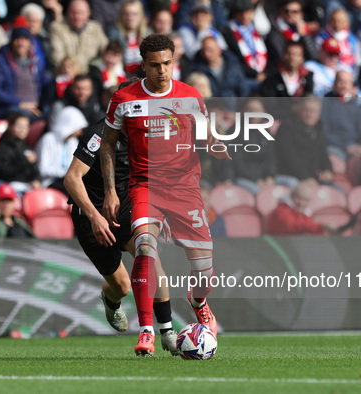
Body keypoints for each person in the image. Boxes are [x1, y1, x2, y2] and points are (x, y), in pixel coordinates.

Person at [101, 34, 230, 356]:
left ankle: (198, 301)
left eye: (167, 63)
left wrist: (213, 143)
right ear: (143, 65)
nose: (162, 71)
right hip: (146, 186)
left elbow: (203, 132)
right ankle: (146, 331)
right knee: (145, 246)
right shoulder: (125, 98)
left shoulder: (190, 96)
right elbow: (106, 144)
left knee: (204, 269)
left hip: (185, 189)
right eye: (155, 65)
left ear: (175, 61)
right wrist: (109, 192)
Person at [64, 95, 178, 354]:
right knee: (122, 287)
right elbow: (71, 179)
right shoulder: (97, 134)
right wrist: (94, 216)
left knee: (150, 257)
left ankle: (167, 331)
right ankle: (111, 299)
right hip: (91, 216)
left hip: (126, 207)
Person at [0, 25, 52, 121]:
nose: (21, 42)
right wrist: (20, 103)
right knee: (24, 118)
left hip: (36, 106)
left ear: (30, 42)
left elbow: (47, 83)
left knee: (55, 114)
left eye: (25, 39)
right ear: (11, 42)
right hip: (11, 107)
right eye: (17, 39)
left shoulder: (35, 61)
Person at [275, 95, 334, 185]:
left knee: (338, 191)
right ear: (298, 110)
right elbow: (289, 157)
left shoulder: (319, 129)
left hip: (312, 178)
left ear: (319, 114)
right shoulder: (286, 127)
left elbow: (323, 155)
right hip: (289, 177)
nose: (309, 115)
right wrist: (306, 177)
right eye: (306, 110)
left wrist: (328, 170)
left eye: (313, 111)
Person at [49, 0, 108, 74]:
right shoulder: (57, 28)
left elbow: (106, 49)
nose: (77, 17)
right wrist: (71, 69)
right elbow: (57, 58)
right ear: (67, 13)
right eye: (73, 13)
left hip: (91, 75)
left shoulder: (95, 28)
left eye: (81, 13)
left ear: (88, 14)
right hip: (67, 76)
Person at [37, 106, 87, 193]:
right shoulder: (48, 139)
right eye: (77, 128)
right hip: (50, 182)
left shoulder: (73, 141)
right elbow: (42, 169)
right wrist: (63, 172)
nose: (79, 132)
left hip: (68, 180)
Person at [266, 180, 335, 235]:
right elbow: (291, 226)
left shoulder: (305, 214)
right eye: (299, 198)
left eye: (306, 200)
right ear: (292, 196)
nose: (301, 203)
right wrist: (321, 226)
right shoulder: (281, 210)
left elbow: (311, 229)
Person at [0, 112, 41, 195]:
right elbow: (5, 172)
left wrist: (36, 180)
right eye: (19, 126)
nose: (23, 129)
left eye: (26, 126)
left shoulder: (28, 148)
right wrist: (24, 161)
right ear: (10, 127)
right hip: (11, 186)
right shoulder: (4, 147)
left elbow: (36, 171)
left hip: (28, 187)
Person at [265, 0, 318, 64]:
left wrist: (304, 36)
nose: (290, 14)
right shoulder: (274, 33)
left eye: (294, 12)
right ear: (281, 12)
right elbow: (280, 58)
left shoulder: (303, 30)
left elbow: (313, 56)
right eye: (286, 11)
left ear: (301, 14)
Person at [107, 0, 150, 76]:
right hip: (122, 74)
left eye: (134, 14)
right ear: (121, 16)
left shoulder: (148, 34)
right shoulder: (114, 34)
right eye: (126, 14)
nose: (130, 17)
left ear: (140, 16)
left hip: (143, 75)